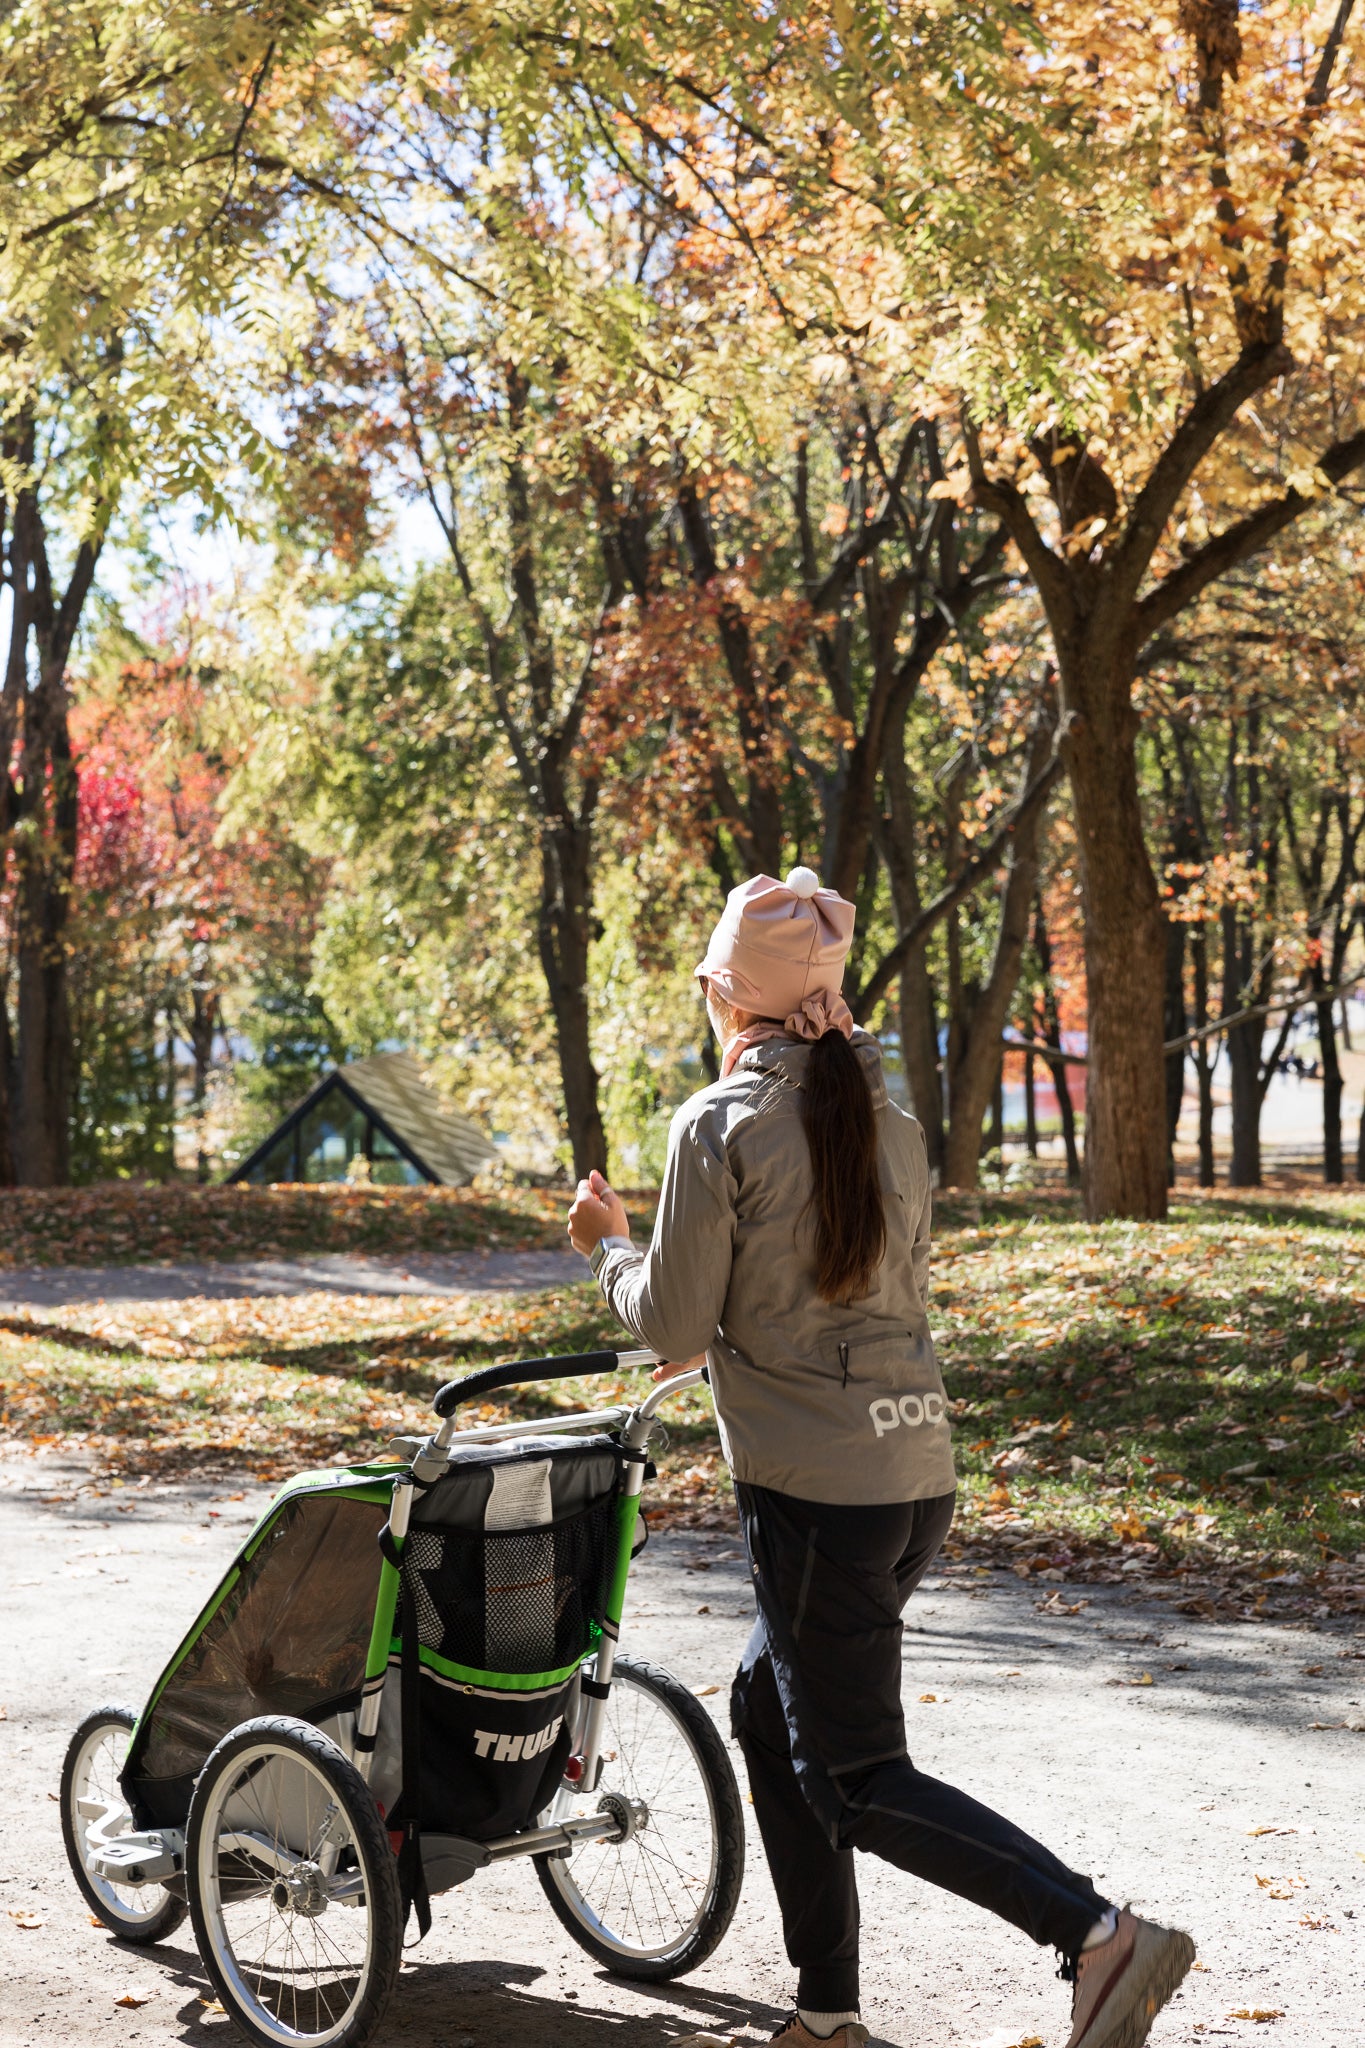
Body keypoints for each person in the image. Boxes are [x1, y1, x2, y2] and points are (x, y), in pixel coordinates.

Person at [568, 868, 1195, 2048]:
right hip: (915, 1483)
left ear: (727, 998)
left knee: (857, 1776)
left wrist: (607, 1244)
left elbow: (668, 1326)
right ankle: (826, 2013)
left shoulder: (717, 1122)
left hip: (817, 1500)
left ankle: (1097, 1933)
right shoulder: (890, 1122)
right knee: (764, 1705)